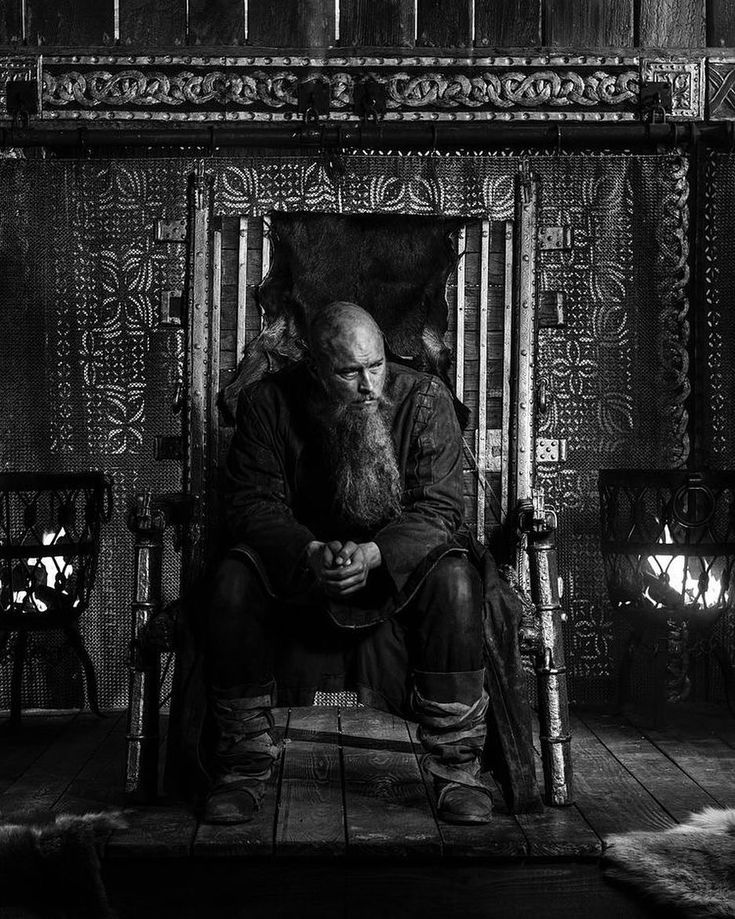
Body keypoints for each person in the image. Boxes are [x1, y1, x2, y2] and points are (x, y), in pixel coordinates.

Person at [203, 301, 493, 826]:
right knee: (231, 578)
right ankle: (242, 766)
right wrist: (310, 553)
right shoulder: (268, 402)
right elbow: (252, 504)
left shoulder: (424, 398)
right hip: (304, 572)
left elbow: (440, 507)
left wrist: (376, 554)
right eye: (349, 372)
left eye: (376, 365)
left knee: (457, 579)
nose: (368, 385)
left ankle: (457, 769)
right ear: (315, 368)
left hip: (397, 572)